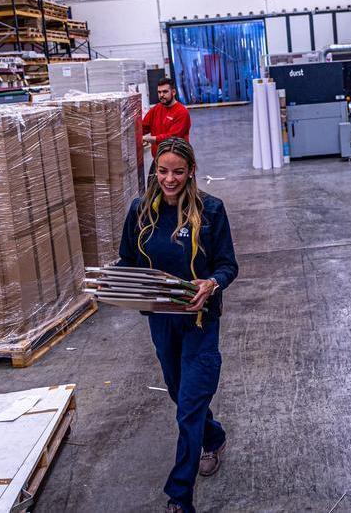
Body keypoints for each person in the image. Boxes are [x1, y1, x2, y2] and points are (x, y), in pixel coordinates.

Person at [118, 138, 238, 513]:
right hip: (162, 320)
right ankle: (213, 436)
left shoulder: (211, 210)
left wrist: (212, 283)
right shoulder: (140, 211)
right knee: (178, 392)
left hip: (200, 322)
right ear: (155, 170)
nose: (170, 179)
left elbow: (228, 265)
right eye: (163, 171)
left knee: (188, 405)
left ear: (191, 172)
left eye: (178, 172)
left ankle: (179, 496)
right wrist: (111, 284)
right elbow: (127, 261)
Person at [143, 78, 192, 156]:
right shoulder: (155, 109)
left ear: (173, 92)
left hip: (176, 158)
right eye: (159, 92)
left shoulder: (182, 112)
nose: (161, 95)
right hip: (159, 158)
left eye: (165, 92)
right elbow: (143, 127)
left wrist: (151, 139)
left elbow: (172, 138)